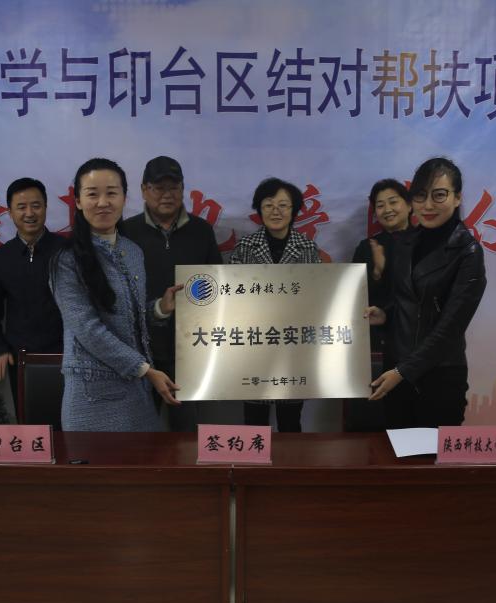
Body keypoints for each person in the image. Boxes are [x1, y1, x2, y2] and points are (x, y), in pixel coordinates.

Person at [50, 158, 183, 431]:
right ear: (78, 201)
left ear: (124, 198)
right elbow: (88, 329)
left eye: (111, 193)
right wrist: (145, 370)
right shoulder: (66, 259)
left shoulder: (132, 251)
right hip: (92, 398)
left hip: (138, 393)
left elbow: (129, 318)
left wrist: (160, 308)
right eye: (92, 194)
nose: (103, 202)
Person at [365, 157, 486, 428]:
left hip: (439, 376)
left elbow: (450, 328)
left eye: (439, 195)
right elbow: (409, 300)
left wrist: (402, 371)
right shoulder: (405, 242)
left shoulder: (468, 252)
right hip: (395, 368)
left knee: (432, 454)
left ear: (457, 198)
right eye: (420, 196)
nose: (428, 205)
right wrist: (385, 314)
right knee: (395, 450)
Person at [120, 156, 222, 431]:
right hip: (141, 353)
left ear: (183, 189)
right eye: (158, 188)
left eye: (174, 187)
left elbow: (216, 286)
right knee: (139, 432)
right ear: (144, 190)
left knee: (187, 433)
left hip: (190, 350)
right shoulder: (126, 232)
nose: (167, 195)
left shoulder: (201, 231)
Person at [230, 177, 321, 432]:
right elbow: (232, 301)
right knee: (254, 423)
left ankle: (290, 460)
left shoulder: (307, 247)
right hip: (254, 346)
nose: (276, 211)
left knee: (291, 422)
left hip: (293, 346)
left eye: (283, 205)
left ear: (294, 210)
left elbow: (317, 297)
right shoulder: (245, 247)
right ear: (259, 210)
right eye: (268, 205)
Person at [0, 177, 67, 417]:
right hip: (21, 357)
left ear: (46, 207)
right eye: (21, 207)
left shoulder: (66, 250)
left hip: (66, 355)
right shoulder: (2, 257)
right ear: (10, 212)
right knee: (30, 425)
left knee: (69, 424)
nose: (29, 213)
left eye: (36, 206)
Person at [351, 179, 413, 352]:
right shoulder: (366, 247)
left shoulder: (425, 242)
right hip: (379, 337)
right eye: (380, 205)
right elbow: (355, 296)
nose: (387, 210)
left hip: (417, 334)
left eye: (393, 202)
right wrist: (377, 272)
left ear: (409, 206)